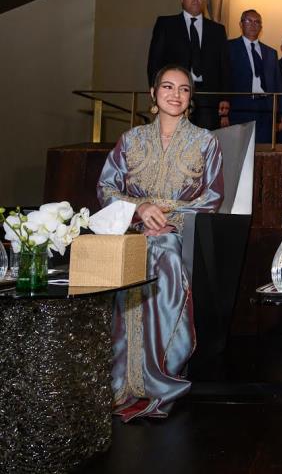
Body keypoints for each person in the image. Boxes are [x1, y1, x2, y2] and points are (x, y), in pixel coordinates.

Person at [97, 66, 224, 422]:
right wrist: (140, 210)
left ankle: (161, 373)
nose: (175, 94)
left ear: (190, 99)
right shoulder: (130, 140)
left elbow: (211, 198)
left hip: (178, 232)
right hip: (131, 228)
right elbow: (106, 189)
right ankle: (122, 379)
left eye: (183, 89)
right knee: (132, 254)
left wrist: (167, 219)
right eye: (167, 87)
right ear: (153, 94)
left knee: (164, 252)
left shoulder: (205, 142)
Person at [146, 0, 230, 130]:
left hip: (208, 96)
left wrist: (224, 97)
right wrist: (156, 90)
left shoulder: (217, 30)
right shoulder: (166, 24)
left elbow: (224, 65)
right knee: (175, 137)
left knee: (205, 141)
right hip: (175, 94)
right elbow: (155, 60)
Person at [226, 9, 282, 143]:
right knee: (240, 152)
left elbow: (277, 85)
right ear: (241, 24)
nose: (253, 25)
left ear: (261, 27)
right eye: (249, 21)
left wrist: (279, 115)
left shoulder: (271, 53)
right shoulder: (229, 48)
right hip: (239, 109)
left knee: (263, 152)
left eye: (257, 22)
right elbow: (224, 79)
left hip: (265, 109)